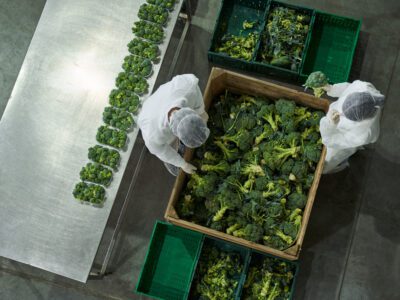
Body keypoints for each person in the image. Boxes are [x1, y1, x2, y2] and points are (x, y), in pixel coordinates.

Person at [138, 74, 210, 176]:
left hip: (166, 93)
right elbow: (162, 152)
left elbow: (194, 89)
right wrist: (183, 164)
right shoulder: (153, 134)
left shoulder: (188, 87)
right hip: (149, 111)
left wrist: (201, 112)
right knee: (173, 155)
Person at [320, 80, 385, 173]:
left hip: (343, 143)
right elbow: (348, 87)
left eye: (345, 116)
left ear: (358, 120)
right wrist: (332, 88)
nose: (340, 113)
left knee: (329, 159)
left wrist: (330, 126)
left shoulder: (363, 134)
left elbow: (334, 141)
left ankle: (330, 167)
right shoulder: (364, 87)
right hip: (337, 130)